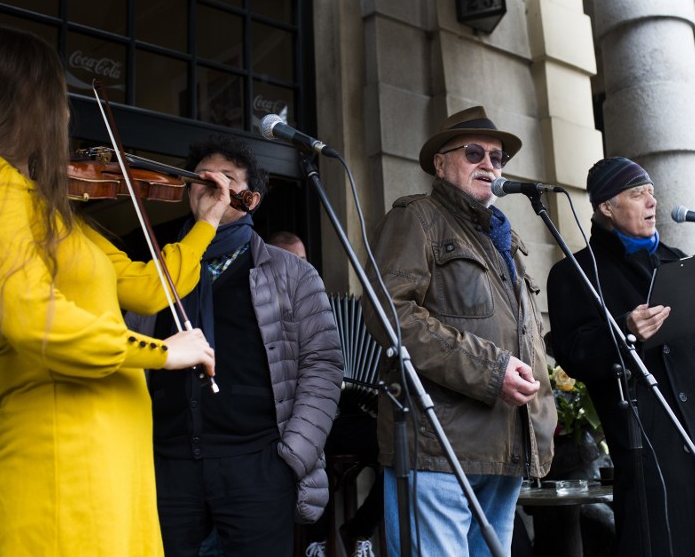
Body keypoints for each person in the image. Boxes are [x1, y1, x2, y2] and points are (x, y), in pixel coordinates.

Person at [0, 25, 231, 556]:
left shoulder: (50, 211)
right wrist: (160, 352)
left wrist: (205, 222)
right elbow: (32, 317)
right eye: (56, 99)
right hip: (64, 453)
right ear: (20, 101)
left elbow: (149, 288)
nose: (64, 116)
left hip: (109, 453)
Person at [125, 134, 343, 557]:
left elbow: (323, 364)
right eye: (200, 178)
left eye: (226, 178)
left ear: (250, 199)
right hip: (166, 462)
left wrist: (292, 456)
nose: (211, 186)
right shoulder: (157, 270)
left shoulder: (293, 274)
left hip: (257, 462)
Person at [547, 156, 695, 556]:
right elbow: (574, 355)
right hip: (659, 450)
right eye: (637, 194)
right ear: (606, 207)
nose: (651, 202)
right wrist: (626, 330)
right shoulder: (576, 273)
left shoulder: (676, 258)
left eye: (652, 193)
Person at [361, 106, 557, 556]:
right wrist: (493, 370)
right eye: (474, 153)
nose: (489, 163)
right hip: (438, 445)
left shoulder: (506, 238)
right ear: (441, 163)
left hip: (504, 441)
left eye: (498, 157)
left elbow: (524, 335)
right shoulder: (418, 217)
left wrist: (543, 409)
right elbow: (389, 312)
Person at [268, 233, 382, 557]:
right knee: (308, 444)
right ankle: (314, 541)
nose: (298, 268)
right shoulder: (264, 311)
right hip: (294, 418)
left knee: (399, 444)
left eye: (303, 261)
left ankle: (359, 530)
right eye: (291, 260)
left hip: (342, 416)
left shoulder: (317, 305)